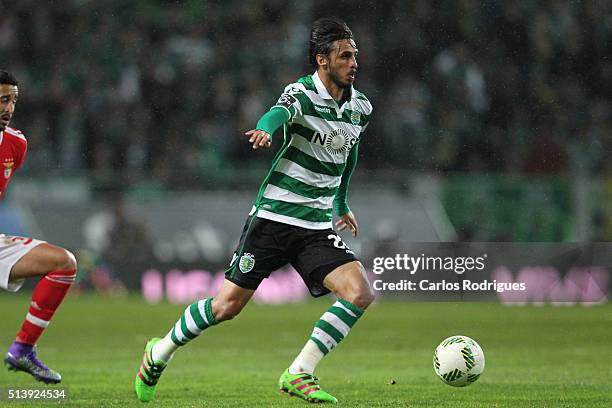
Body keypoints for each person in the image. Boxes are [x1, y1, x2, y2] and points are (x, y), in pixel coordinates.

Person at [134, 17, 373, 404]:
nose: (353, 62)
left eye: (355, 55)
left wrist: (341, 202)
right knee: (226, 306)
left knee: (358, 291)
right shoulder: (302, 93)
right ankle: (159, 352)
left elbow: (351, 150)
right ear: (322, 60)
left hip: (314, 225)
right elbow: (277, 113)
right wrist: (265, 129)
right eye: (345, 56)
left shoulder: (360, 107)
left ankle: (299, 372)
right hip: (275, 218)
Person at [0, 70, 78, 384]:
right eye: (3, 100)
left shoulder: (16, 145)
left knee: (63, 263)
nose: (9, 108)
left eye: (13, 101)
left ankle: (23, 349)